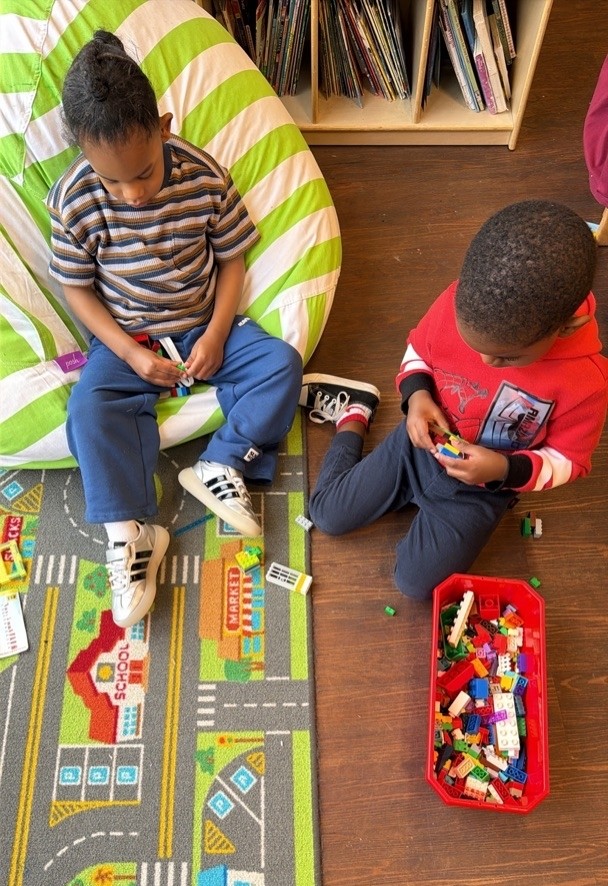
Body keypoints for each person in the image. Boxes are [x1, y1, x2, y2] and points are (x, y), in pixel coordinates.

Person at [47, 31, 302, 627]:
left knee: (281, 364)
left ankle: (221, 463)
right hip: (127, 342)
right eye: (114, 182)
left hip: (201, 325)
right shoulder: (75, 197)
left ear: (164, 126)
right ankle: (131, 531)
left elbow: (233, 257)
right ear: (82, 153)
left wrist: (215, 334)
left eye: (142, 172)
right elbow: (76, 289)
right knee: (87, 410)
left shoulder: (202, 175)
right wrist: (132, 359)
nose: (132, 195)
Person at [300, 200, 608, 601]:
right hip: (419, 445)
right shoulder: (458, 302)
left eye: (507, 357)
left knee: (413, 585)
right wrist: (417, 396)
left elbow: (569, 461)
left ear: (568, 327)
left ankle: (429, 502)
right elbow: (418, 351)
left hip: (483, 489)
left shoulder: (586, 381)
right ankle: (355, 414)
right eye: (472, 345)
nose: (485, 362)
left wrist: (503, 469)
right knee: (326, 514)